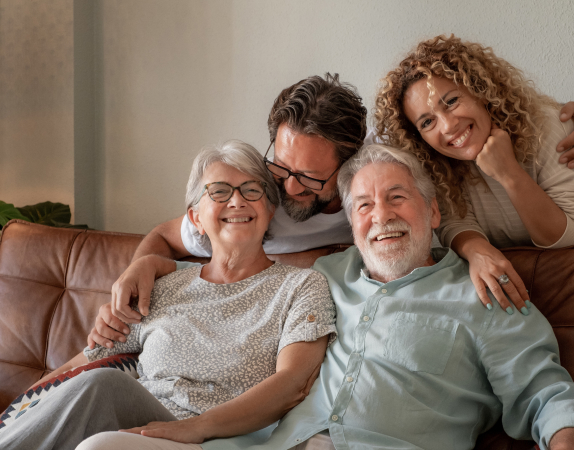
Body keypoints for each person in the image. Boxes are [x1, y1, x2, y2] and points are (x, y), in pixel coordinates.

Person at [78, 144, 574, 450]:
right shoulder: (323, 275)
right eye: (364, 206)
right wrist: (148, 263)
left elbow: (553, 399)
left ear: (435, 213)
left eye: (398, 198)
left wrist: (473, 247)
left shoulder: (483, 294)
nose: (382, 216)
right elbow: (222, 256)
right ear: (350, 224)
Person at [94, 73, 574, 347]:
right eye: (282, 165)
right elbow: (166, 236)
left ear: (345, 167)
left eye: (310, 179)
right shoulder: (248, 197)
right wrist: (141, 265)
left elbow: (445, 200)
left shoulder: (372, 189)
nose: (289, 188)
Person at [0, 140, 336, 450]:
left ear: (270, 210)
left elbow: (293, 381)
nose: (237, 201)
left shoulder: (301, 286)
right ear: (195, 219)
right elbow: (76, 371)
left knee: (99, 431)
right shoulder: (162, 286)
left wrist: (199, 427)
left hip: (217, 439)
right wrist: (14, 416)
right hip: (141, 427)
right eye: (219, 192)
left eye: (252, 190)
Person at [374, 34, 574, 314]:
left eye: (452, 101)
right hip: (531, 303)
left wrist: (508, 173)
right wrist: (475, 250)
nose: (447, 126)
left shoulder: (551, 129)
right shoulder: (437, 164)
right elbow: (454, 224)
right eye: (427, 121)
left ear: (480, 90)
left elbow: (573, 242)